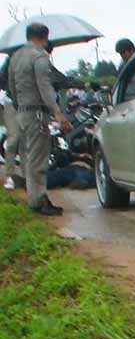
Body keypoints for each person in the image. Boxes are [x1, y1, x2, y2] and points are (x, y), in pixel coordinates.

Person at [8, 23, 72, 216]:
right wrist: (57, 113)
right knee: (39, 160)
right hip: (37, 113)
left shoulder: (15, 57)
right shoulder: (40, 56)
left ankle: (33, 198)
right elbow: (45, 87)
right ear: (45, 37)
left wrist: (20, 106)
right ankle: (39, 200)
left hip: (22, 113)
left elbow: (11, 87)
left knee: (27, 158)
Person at [0, 53, 21, 189]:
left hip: (32, 104)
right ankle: (9, 175)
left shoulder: (40, 58)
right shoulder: (10, 60)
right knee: (13, 139)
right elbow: (1, 79)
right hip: (11, 103)